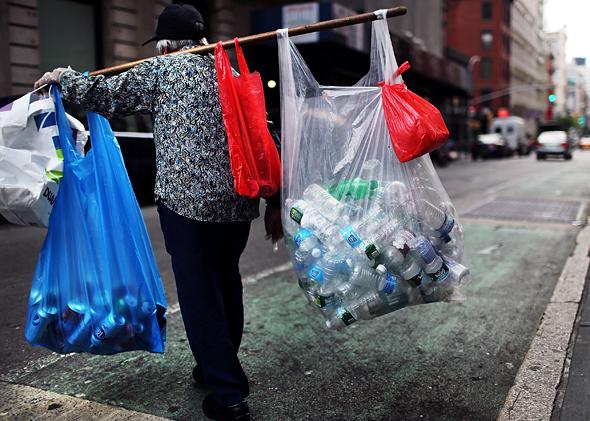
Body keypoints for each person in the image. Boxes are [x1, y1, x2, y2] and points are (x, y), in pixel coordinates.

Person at [34, 4, 283, 421]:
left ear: (165, 44)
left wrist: (63, 77)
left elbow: (104, 94)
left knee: (200, 295)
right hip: (239, 203)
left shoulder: (163, 71)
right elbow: (264, 132)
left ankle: (229, 395)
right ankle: (213, 367)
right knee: (226, 282)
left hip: (187, 205)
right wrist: (274, 198)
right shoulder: (230, 70)